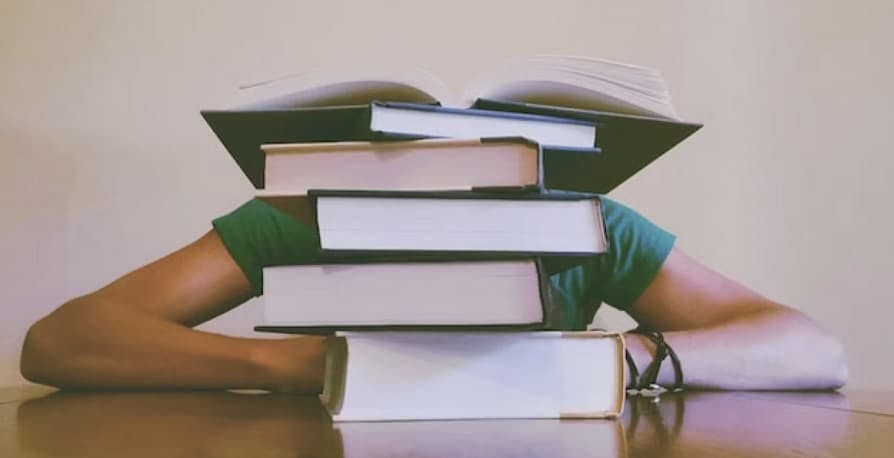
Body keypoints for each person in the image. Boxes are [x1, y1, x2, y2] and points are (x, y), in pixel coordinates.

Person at [19, 197, 848, 393]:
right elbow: (59, 341)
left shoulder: (584, 226)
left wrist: (628, 358)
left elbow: (812, 347)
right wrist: (308, 365)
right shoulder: (307, 214)